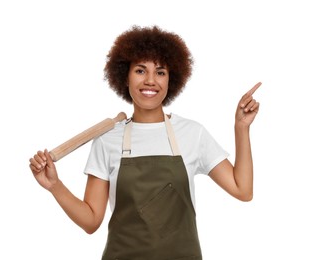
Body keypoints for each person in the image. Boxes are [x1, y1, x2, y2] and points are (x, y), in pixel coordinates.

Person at [29, 25, 261, 259]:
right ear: (125, 77)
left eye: (160, 72)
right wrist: (54, 186)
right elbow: (91, 221)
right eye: (140, 71)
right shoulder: (107, 140)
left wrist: (241, 128)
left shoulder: (192, 133)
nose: (151, 80)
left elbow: (242, 190)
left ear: (171, 79)